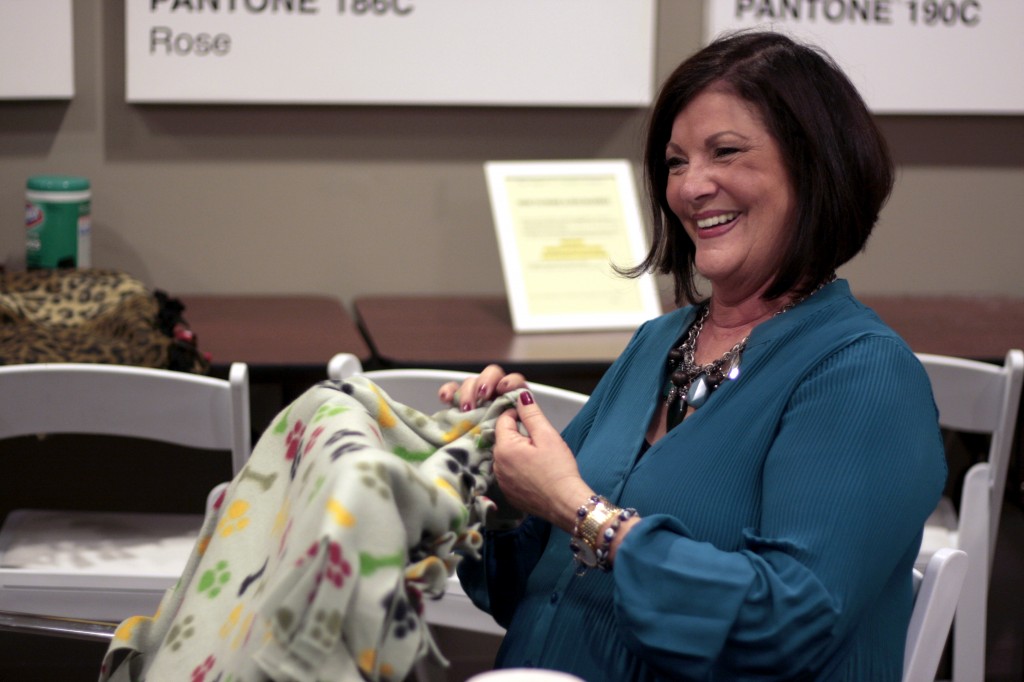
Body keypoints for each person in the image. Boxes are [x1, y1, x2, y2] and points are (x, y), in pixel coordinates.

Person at [439, 31, 947, 681]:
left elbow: (789, 624)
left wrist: (580, 510)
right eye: (676, 163)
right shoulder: (660, 341)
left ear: (814, 165)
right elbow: (523, 591)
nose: (690, 186)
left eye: (725, 153)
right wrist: (500, 480)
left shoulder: (863, 374)